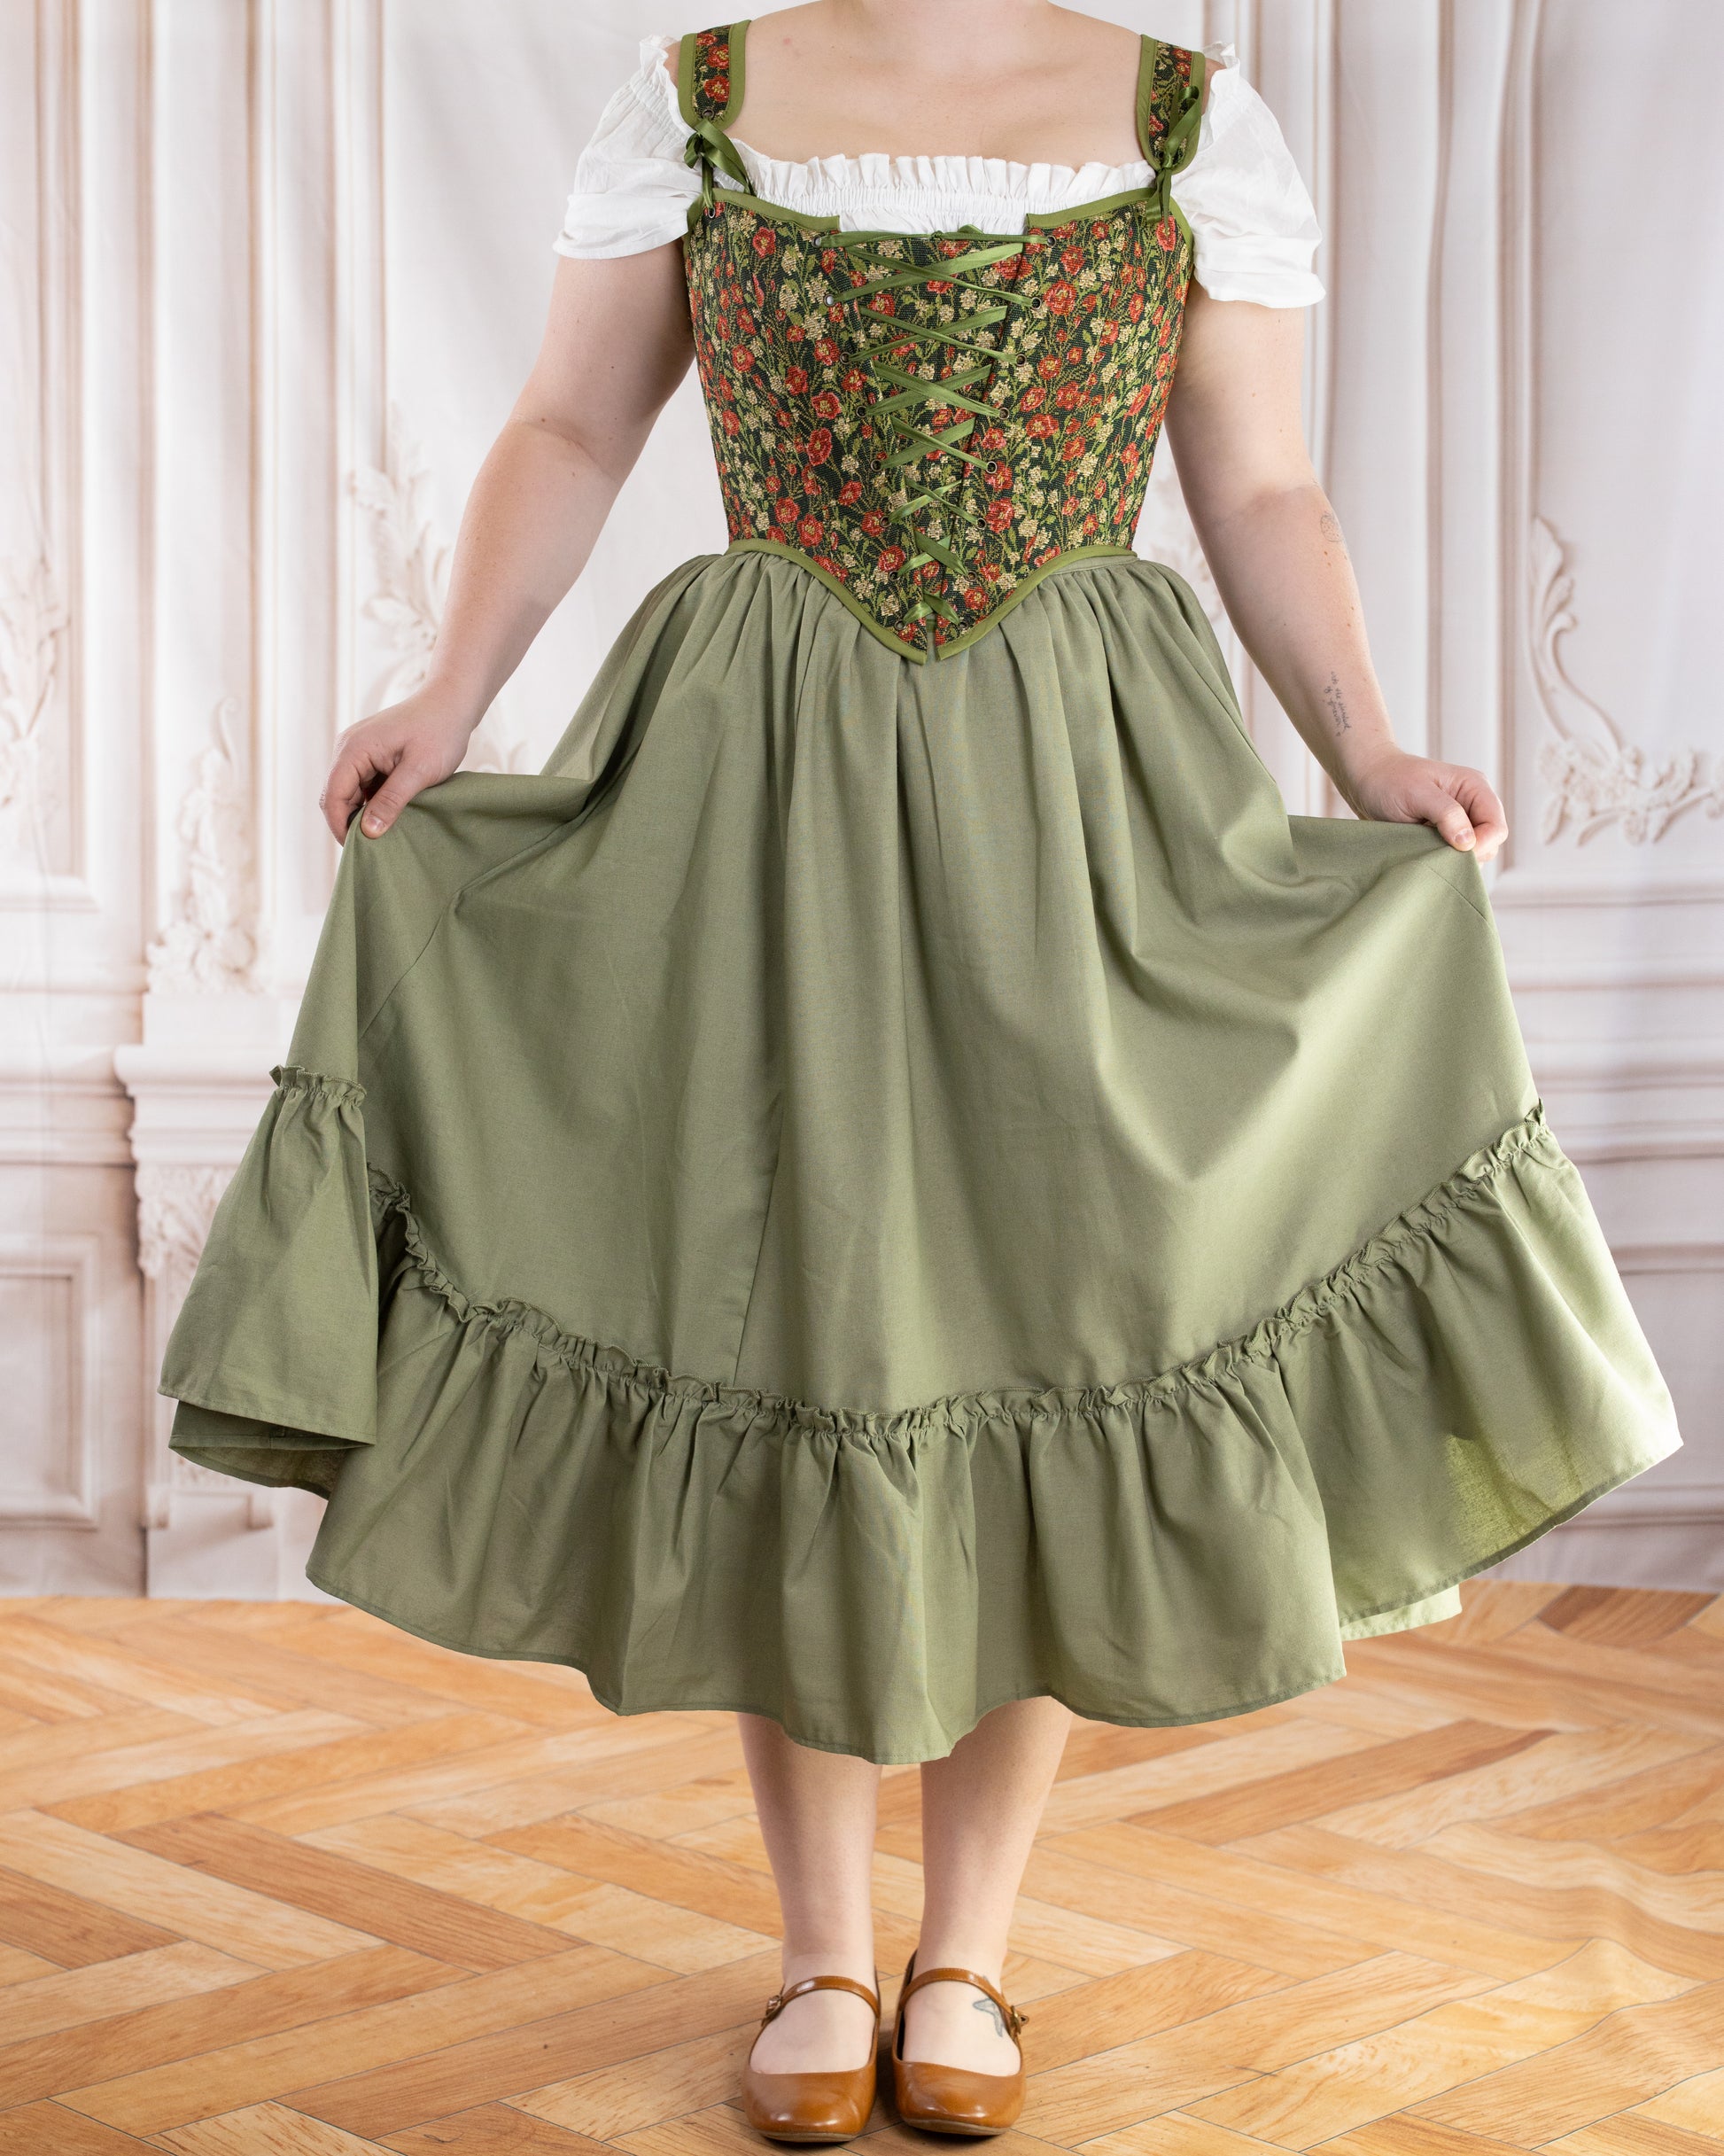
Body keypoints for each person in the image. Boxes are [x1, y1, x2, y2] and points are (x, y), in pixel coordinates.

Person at [157, 2, 1682, 2142]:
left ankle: (967, 1939)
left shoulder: (1186, 120)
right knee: (798, 1329)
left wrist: (1367, 751)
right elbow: (572, 428)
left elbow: (1256, 478)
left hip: (1083, 781)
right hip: (752, 769)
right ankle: (819, 1948)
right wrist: (451, 687)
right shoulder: (693, 96)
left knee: (1059, 1310)